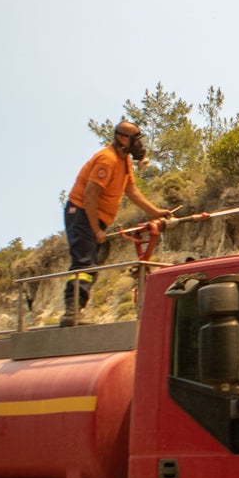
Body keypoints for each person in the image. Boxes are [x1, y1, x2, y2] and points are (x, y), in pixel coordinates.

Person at [60, 121, 172, 326]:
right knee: (84, 263)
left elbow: (132, 191)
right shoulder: (107, 159)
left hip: (92, 216)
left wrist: (156, 212)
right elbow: (90, 195)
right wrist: (95, 230)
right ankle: (71, 312)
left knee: (89, 263)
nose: (139, 144)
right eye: (135, 139)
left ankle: (76, 310)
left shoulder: (124, 160)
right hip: (81, 213)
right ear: (122, 139)